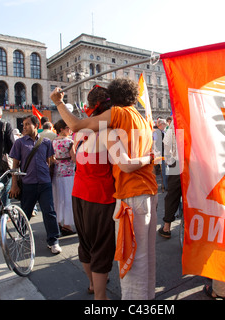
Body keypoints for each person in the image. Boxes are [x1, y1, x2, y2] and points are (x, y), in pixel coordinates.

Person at [51, 78, 158, 300]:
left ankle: (93, 286)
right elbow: (126, 163)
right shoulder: (137, 122)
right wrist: (149, 158)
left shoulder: (84, 133)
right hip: (112, 195)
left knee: (89, 245)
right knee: (137, 255)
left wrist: (59, 104)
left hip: (80, 192)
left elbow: (75, 136)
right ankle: (105, 297)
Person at [9, 115, 62, 255]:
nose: (24, 127)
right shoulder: (19, 143)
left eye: (27, 124)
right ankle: (21, 234)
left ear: (36, 125)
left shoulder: (46, 142)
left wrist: (49, 178)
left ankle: (53, 240)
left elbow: (50, 161)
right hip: (28, 183)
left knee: (49, 211)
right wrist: (14, 185)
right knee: (25, 212)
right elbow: (15, 166)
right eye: (23, 124)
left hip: (44, 183)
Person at [158, 122, 183, 239]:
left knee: (172, 195)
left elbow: (167, 142)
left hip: (178, 162)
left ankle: (166, 227)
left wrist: (169, 160)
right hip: (198, 163)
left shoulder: (179, 115)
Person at [52, 119, 76, 235]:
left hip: (57, 172)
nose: (70, 130)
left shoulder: (53, 142)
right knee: (68, 198)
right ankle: (67, 225)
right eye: (68, 128)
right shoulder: (69, 142)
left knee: (58, 198)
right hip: (68, 173)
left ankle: (59, 222)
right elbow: (74, 158)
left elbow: (51, 158)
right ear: (62, 129)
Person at [154, 118, 168, 192]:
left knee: (165, 171)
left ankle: (165, 185)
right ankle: (165, 186)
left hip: (165, 154)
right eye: (164, 124)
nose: (165, 125)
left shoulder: (164, 132)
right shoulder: (156, 133)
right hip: (161, 154)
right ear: (161, 125)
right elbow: (154, 143)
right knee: (164, 171)